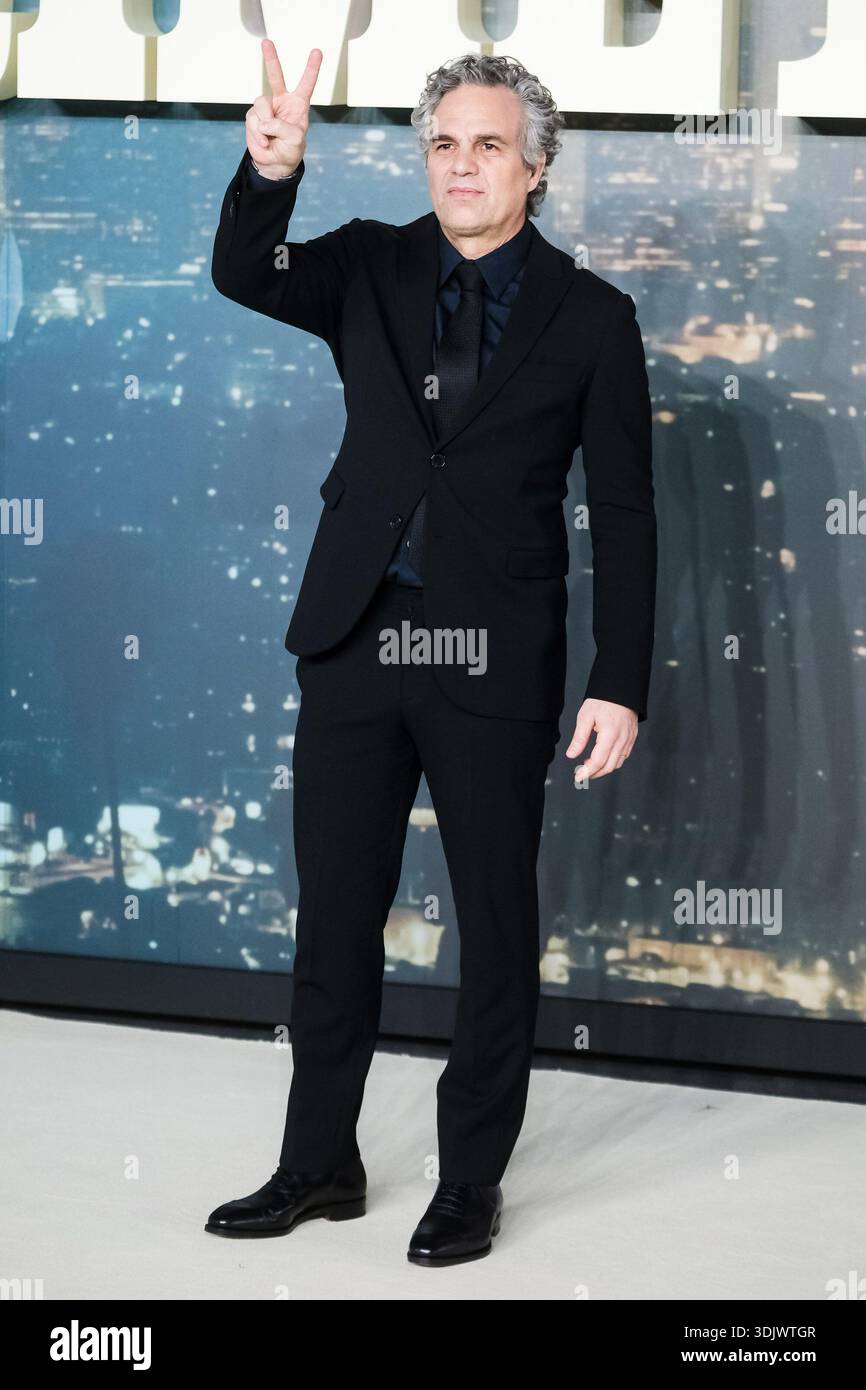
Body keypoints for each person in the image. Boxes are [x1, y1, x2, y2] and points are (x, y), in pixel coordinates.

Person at [205, 40, 656, 1267]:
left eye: (488, 144)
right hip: (355, 641)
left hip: (492, 661)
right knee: (333, 922)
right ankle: (318, 1165)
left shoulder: (594, 317)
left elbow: (621, 513)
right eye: (443, 143)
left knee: (495, 928)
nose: (461, 165)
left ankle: (468, 1183)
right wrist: (270, 168)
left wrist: (620, 678)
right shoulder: (361, 260)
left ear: (537, 164)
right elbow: (244, 271)